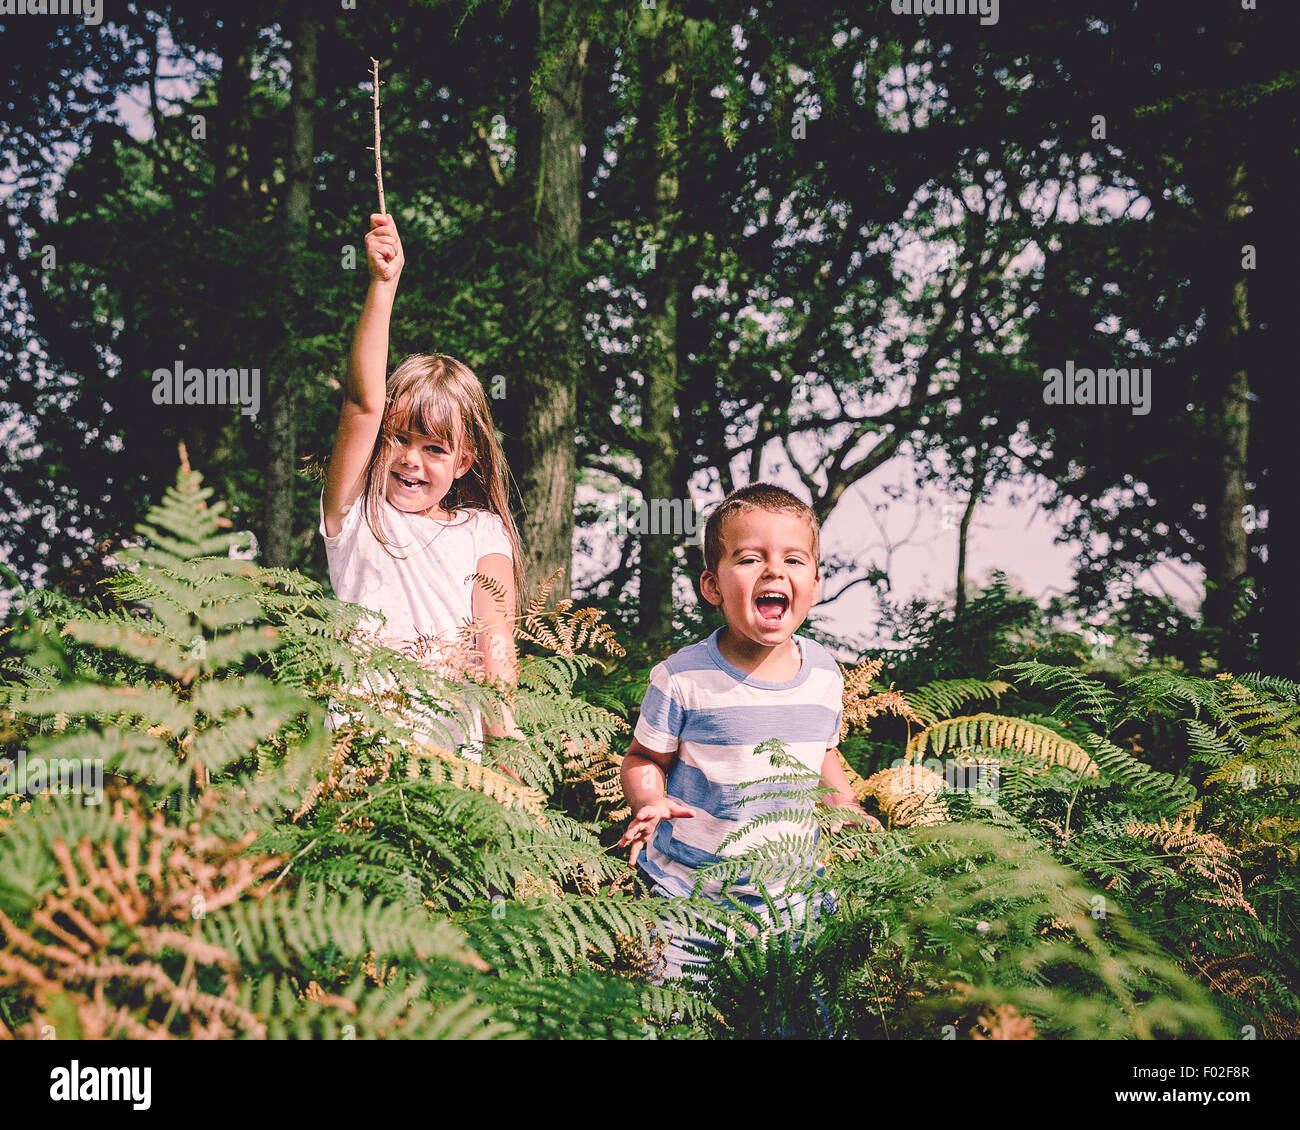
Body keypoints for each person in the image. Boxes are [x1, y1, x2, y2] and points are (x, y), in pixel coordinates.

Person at [617, 482, 880, 983]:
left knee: (790, 1015)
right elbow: (643, 758)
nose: (774, 571)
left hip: (792, 895)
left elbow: (822, 752)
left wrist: (843, 805)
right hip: (687, 891)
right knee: (676, 1015)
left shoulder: (825, 673)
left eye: (793, 560)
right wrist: (647, 799)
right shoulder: (682, 678)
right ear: (712, 587)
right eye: (749, 558)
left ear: (817, 584)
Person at [320, 213, 525, 761]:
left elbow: (495, 636)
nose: (412, 460)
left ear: (464, 461)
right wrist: (382, 286)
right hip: (356, 756)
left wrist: (509, 752)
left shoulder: (482, 530)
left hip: (455, 767)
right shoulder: (357, 516)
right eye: (400, 439)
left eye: (435, 449)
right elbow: (362, 405)